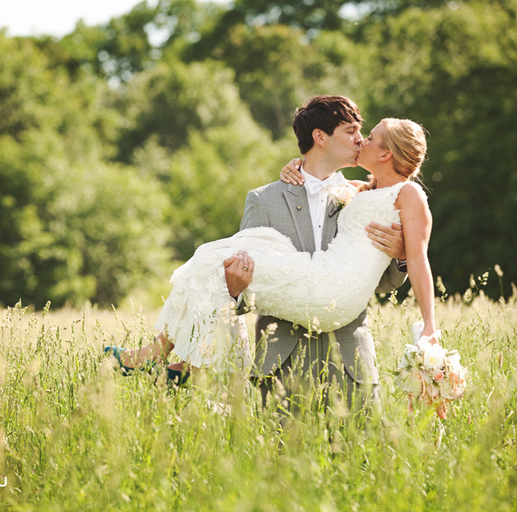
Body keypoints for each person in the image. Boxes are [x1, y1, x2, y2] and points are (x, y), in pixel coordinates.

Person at [107, 97, 436, 410]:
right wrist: (235, 289)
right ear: (320, 137)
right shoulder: (273, 198)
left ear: (385, 154)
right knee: (212, 260)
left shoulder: (369, 193)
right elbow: (242, 288)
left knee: (362, 462)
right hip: (282, 364)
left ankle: (176, 360)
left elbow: (397, 271)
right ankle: (181, 360)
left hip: (348, 353)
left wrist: (403, 256)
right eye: (353, 132)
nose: (361, 141)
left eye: (368, 136)